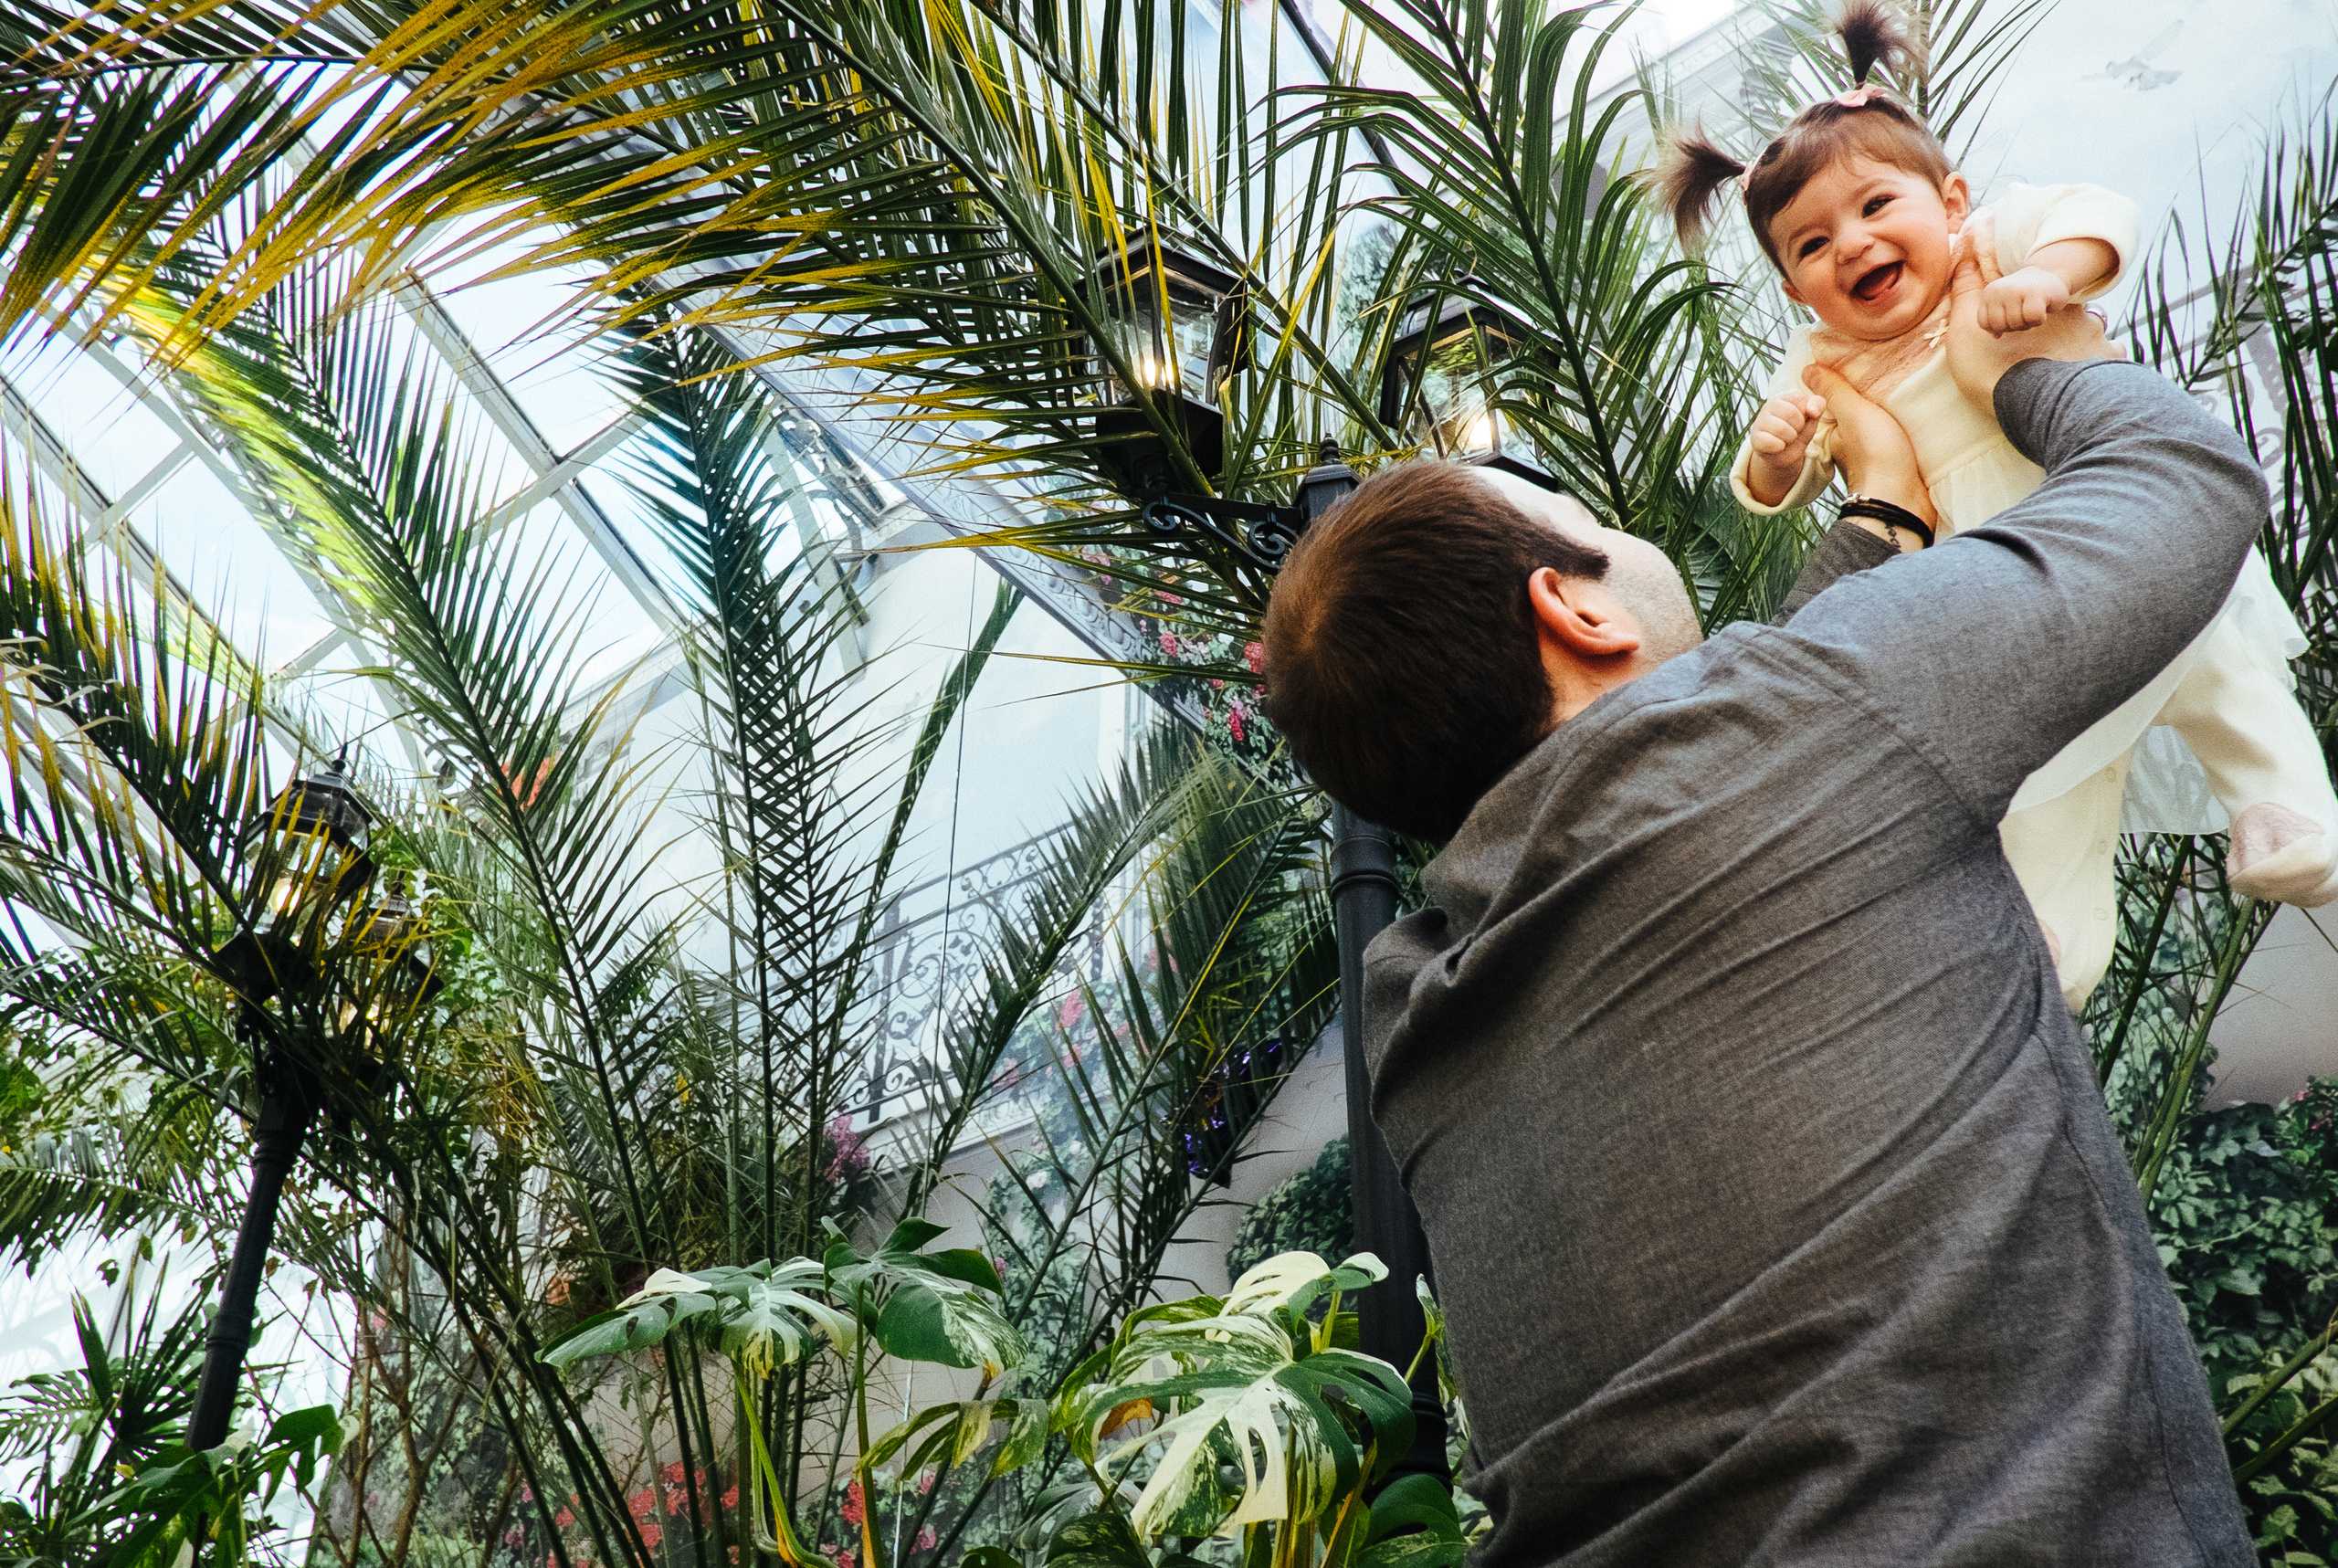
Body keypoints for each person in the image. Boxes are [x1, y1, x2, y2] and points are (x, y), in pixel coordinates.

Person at [1257, 269, 2259, 1563]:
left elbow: (1707, 793)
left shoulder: (1409, 1012)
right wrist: (2015, 359)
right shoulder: (1807, 724)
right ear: (1572, 604)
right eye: (1577, 517)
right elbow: (2185, 477)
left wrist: (1883, 512)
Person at [1658, 0, 2338, 1010]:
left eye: (1876, 206)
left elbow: (2101, 216)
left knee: (2209, 659)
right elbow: (1775, 486)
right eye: (1809, 245)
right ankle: (2057, 938)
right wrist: (1773, 457)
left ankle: (2283, 814)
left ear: (1951, 199)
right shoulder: (1824, 358)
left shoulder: (1991, 244)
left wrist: (2044, 275)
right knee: (2038, 768)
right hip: (1991, 589)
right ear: (1796, 291)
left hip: (2107, 511)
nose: (1850, 245)